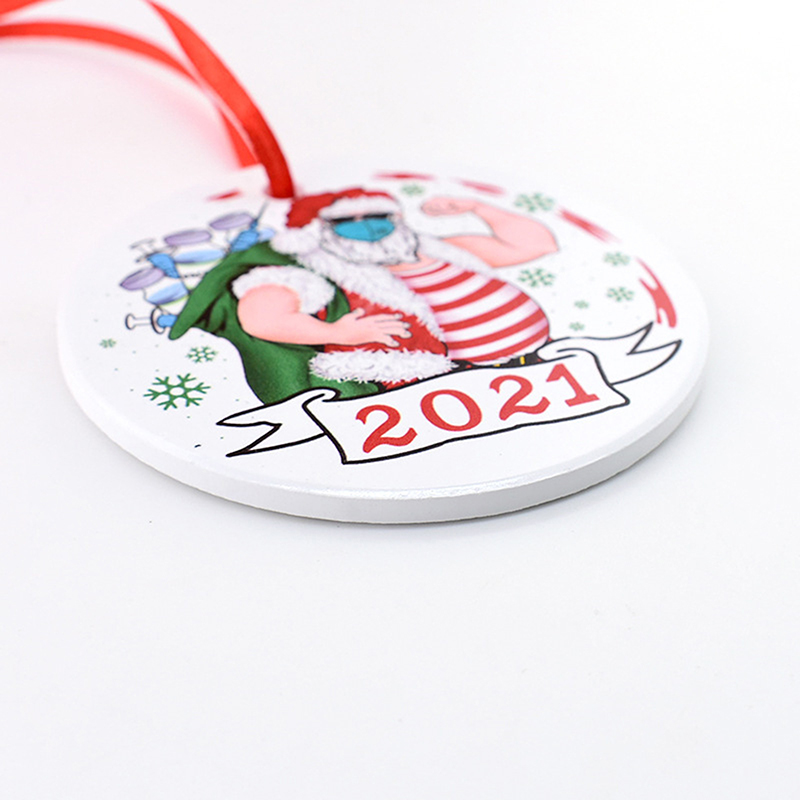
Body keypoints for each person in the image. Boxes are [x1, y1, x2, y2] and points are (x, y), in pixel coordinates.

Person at [235, 188, 558, 389]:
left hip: (539, 365)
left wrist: (477, 207)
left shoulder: (442, 250)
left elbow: (535, 246)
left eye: (378, 215)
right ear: (317, 231)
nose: (367, 225)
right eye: (345, 221)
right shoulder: (318, 273)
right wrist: (335, 333)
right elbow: (260, 318)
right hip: (445, 386)